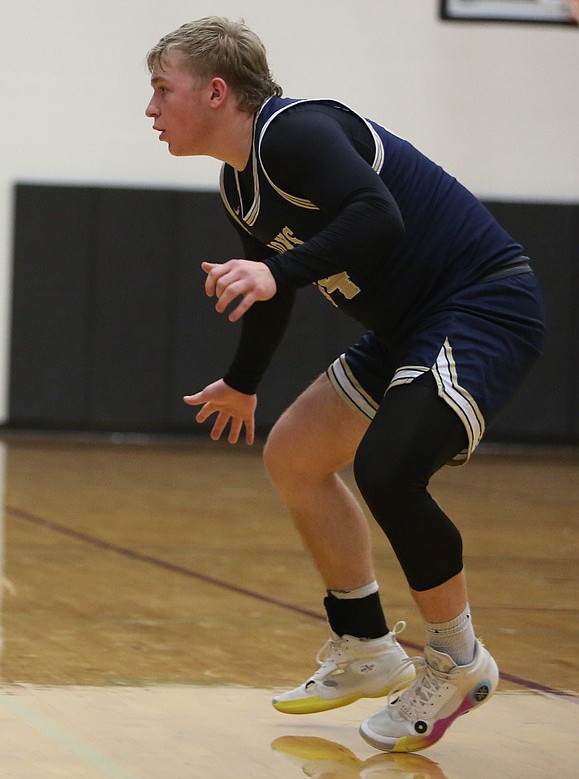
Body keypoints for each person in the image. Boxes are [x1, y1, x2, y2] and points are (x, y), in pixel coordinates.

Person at [145, 17, 544, 753]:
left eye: (161, 90)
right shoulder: (241, 183)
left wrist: (274, 270)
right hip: (404, 326)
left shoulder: (295, 132)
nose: (151, 109)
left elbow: (377, 216)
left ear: (216, 91)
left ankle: (457, 656)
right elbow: (273, 289)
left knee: (389, 469)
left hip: (478, 302)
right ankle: (365, 645)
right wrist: (242, 382)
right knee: (293, 454)